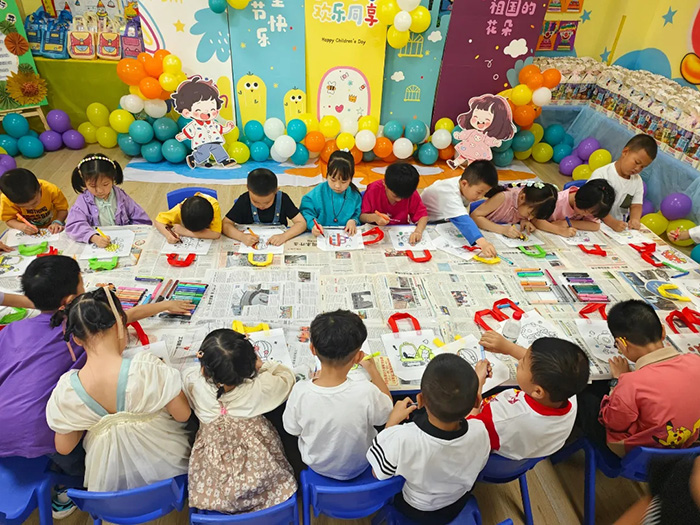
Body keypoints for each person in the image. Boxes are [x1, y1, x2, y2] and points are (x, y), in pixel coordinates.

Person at [46, 287, 193, 492]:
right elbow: (183, 415)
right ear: (120, 325)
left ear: (77, 339)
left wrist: (99, 423)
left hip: (110, 483)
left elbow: (64, 447)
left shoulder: (67, 391)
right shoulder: (146, 368)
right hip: (169, 471)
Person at [366, 354, 491, 525]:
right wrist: (478, 384)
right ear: (477, 401)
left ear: (420, 400)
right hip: (456, 503)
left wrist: (391, 422)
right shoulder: (481, 432)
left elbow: (377, 472)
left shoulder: (402, 438)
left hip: (414, 509)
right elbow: (473, 422)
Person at [184, 329, 297, 513]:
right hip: (259, 462)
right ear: (250, 367)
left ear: (204, 369)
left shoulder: (193, 383)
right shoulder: (259, 388)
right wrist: (262, 365)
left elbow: (191, 375)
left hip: (215, 468)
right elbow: (287, 378)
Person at [577, 300, 700, 456]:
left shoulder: (631, 383)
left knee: (585, 395)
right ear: (663, 332)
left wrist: (617, 380)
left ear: (622, 343)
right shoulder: (695, 361)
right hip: (688, 445)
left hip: (643, 454)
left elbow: (612, 422)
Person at [283, 310, 393, 480]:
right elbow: (387, 411)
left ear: (312, 349)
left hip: (318, 466)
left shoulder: (300, 392)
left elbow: (293, 430)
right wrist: (372, 369)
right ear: (358, 356)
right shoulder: (366, 391)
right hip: (362, 463)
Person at [475, 334, 590, 460]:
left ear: (538, 391)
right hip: (526, 447)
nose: (519, 362)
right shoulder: (567, 389)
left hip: (482, 436)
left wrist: (477, 383)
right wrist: (509, 348)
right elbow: (539, 364)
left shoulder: (505, 419)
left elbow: (469, 429)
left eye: (523, 364)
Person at [65, 154, 151, 246]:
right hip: (97, 242)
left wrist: (135, 233)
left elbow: (139, 216)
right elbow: (74, 225)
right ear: (84, 182)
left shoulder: (120, 196)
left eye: (105, 184)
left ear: (113, 179)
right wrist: (93, 237)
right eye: (93, 186)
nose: (100, 190)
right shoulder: (83, 201)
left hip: (123, 240)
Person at [420, 159, 499, 257]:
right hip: (427, 223)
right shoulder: (448, 193)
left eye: (484, 193)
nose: (480, 197)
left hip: (444, 219)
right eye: (479, 192)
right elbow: (463, 221)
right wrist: (483, 243)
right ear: (464, 184)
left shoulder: (467, 184)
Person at [589, 134, 657, 232]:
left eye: (643, 167)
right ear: (625, 152)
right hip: (593, 223)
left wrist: (635, 219)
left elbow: (636, 205)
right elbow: (594, 204)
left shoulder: (637, 181)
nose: (638, 169)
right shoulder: (602, 174)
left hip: (618, 228)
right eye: (637, 162)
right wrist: (611, 222)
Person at [222, 168, 306, 246]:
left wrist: (284, 236)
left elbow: (301, 223)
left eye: (267, 202)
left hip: (277, 244)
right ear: (248, 188)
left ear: (276, 190)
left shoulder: (283, 199)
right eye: (255, 202)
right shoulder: (244, 200)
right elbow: (225, 224)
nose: (261, 206)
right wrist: (241, 237)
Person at [172, 75, 237, 169]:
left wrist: (228, 128)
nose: (207, 113)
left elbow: (221, 129)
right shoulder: (194, 125)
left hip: (214, 140)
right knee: (204, 153)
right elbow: (188, 132)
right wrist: (182, 136)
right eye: (199, 110)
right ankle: (193, 158)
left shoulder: (213, 123)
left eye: (212, 109)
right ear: (187, 112)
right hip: (202, 143)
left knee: (218, 149)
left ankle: (224, 161)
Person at [360, 163, 428, 245]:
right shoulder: (373, 190)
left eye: (404, 197)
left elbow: (422, 216)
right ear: (384, 183)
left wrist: (418, 232)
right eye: (395, 196)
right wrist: (374, 218)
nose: (399, 200)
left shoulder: (410, 192)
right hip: (375, 232)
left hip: (398, 232)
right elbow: (361, 217)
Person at [300, 150, 362, 235]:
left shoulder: (355, 196)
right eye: (333, 179)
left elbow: (358, 214)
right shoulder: (318, 192)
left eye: (343, 181)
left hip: (345, 236)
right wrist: (313, 225)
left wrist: (353, 221)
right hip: (321, 235)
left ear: (351, 178)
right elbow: (306, 211)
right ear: (327, 174)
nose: (337, 185)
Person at [471, 181, 558, 238]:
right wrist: (502, 230)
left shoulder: (524, 205)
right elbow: (475, 216)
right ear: (522, 197)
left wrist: (524, 221)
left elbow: (516, 214)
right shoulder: (503, 197)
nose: (530, 218)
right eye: (529, 214)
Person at [532, 179, 615, 237]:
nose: (586, 215)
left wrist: (567, 223)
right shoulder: (557, 200)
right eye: (585, 211)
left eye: (591, 213)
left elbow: (595, 226)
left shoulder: (592, 204)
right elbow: (535, 219)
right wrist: (560, 230)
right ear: (579, 200)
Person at [0, 168, 68, 233]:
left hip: (54, 226)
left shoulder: (50, 190)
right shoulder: (6, 200)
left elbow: (62, 209)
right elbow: (9, 219)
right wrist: (21, 226)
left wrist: (57, 222)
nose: (30, 208)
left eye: (34, 203)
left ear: (40, 188)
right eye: (23, 206)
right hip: (26, 231)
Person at [155, 191, 222, 244]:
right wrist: (168, 235)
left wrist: (185, 231)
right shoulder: (181, 209)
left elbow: (216, 234)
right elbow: (158, 221)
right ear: (180, 207)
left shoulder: (214, 206)